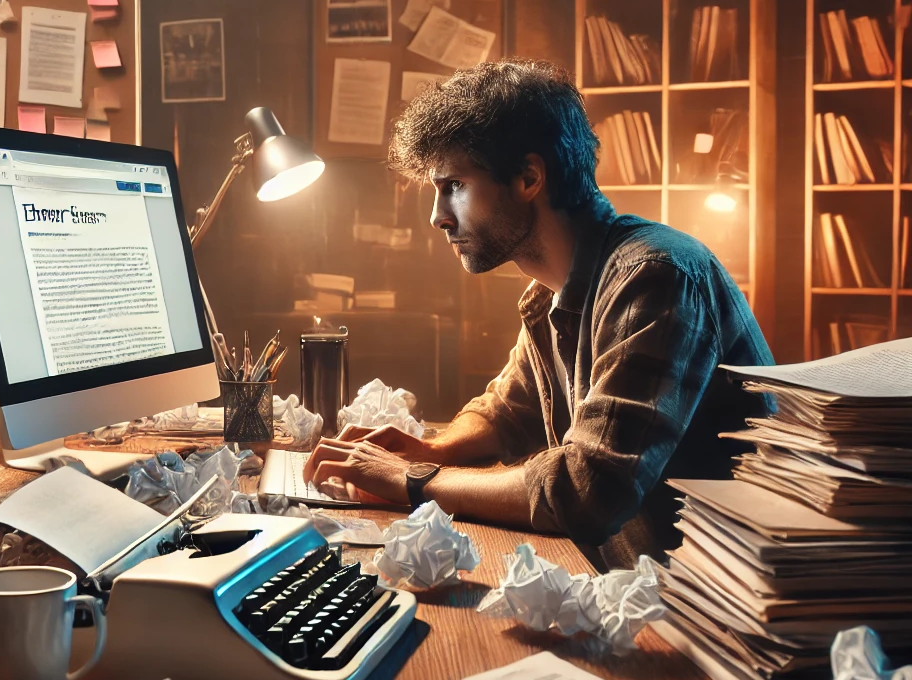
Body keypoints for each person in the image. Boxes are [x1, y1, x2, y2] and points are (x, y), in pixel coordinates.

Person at [303, 58, 774, 569]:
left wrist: (416, 481)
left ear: (529, 177)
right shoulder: (553, 291)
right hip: (642, 592)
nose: (437, 217)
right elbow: (506, 410)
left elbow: (588, 491)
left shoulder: (655, 276)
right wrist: (431, 450)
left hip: (714, 617)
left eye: (454, 185)